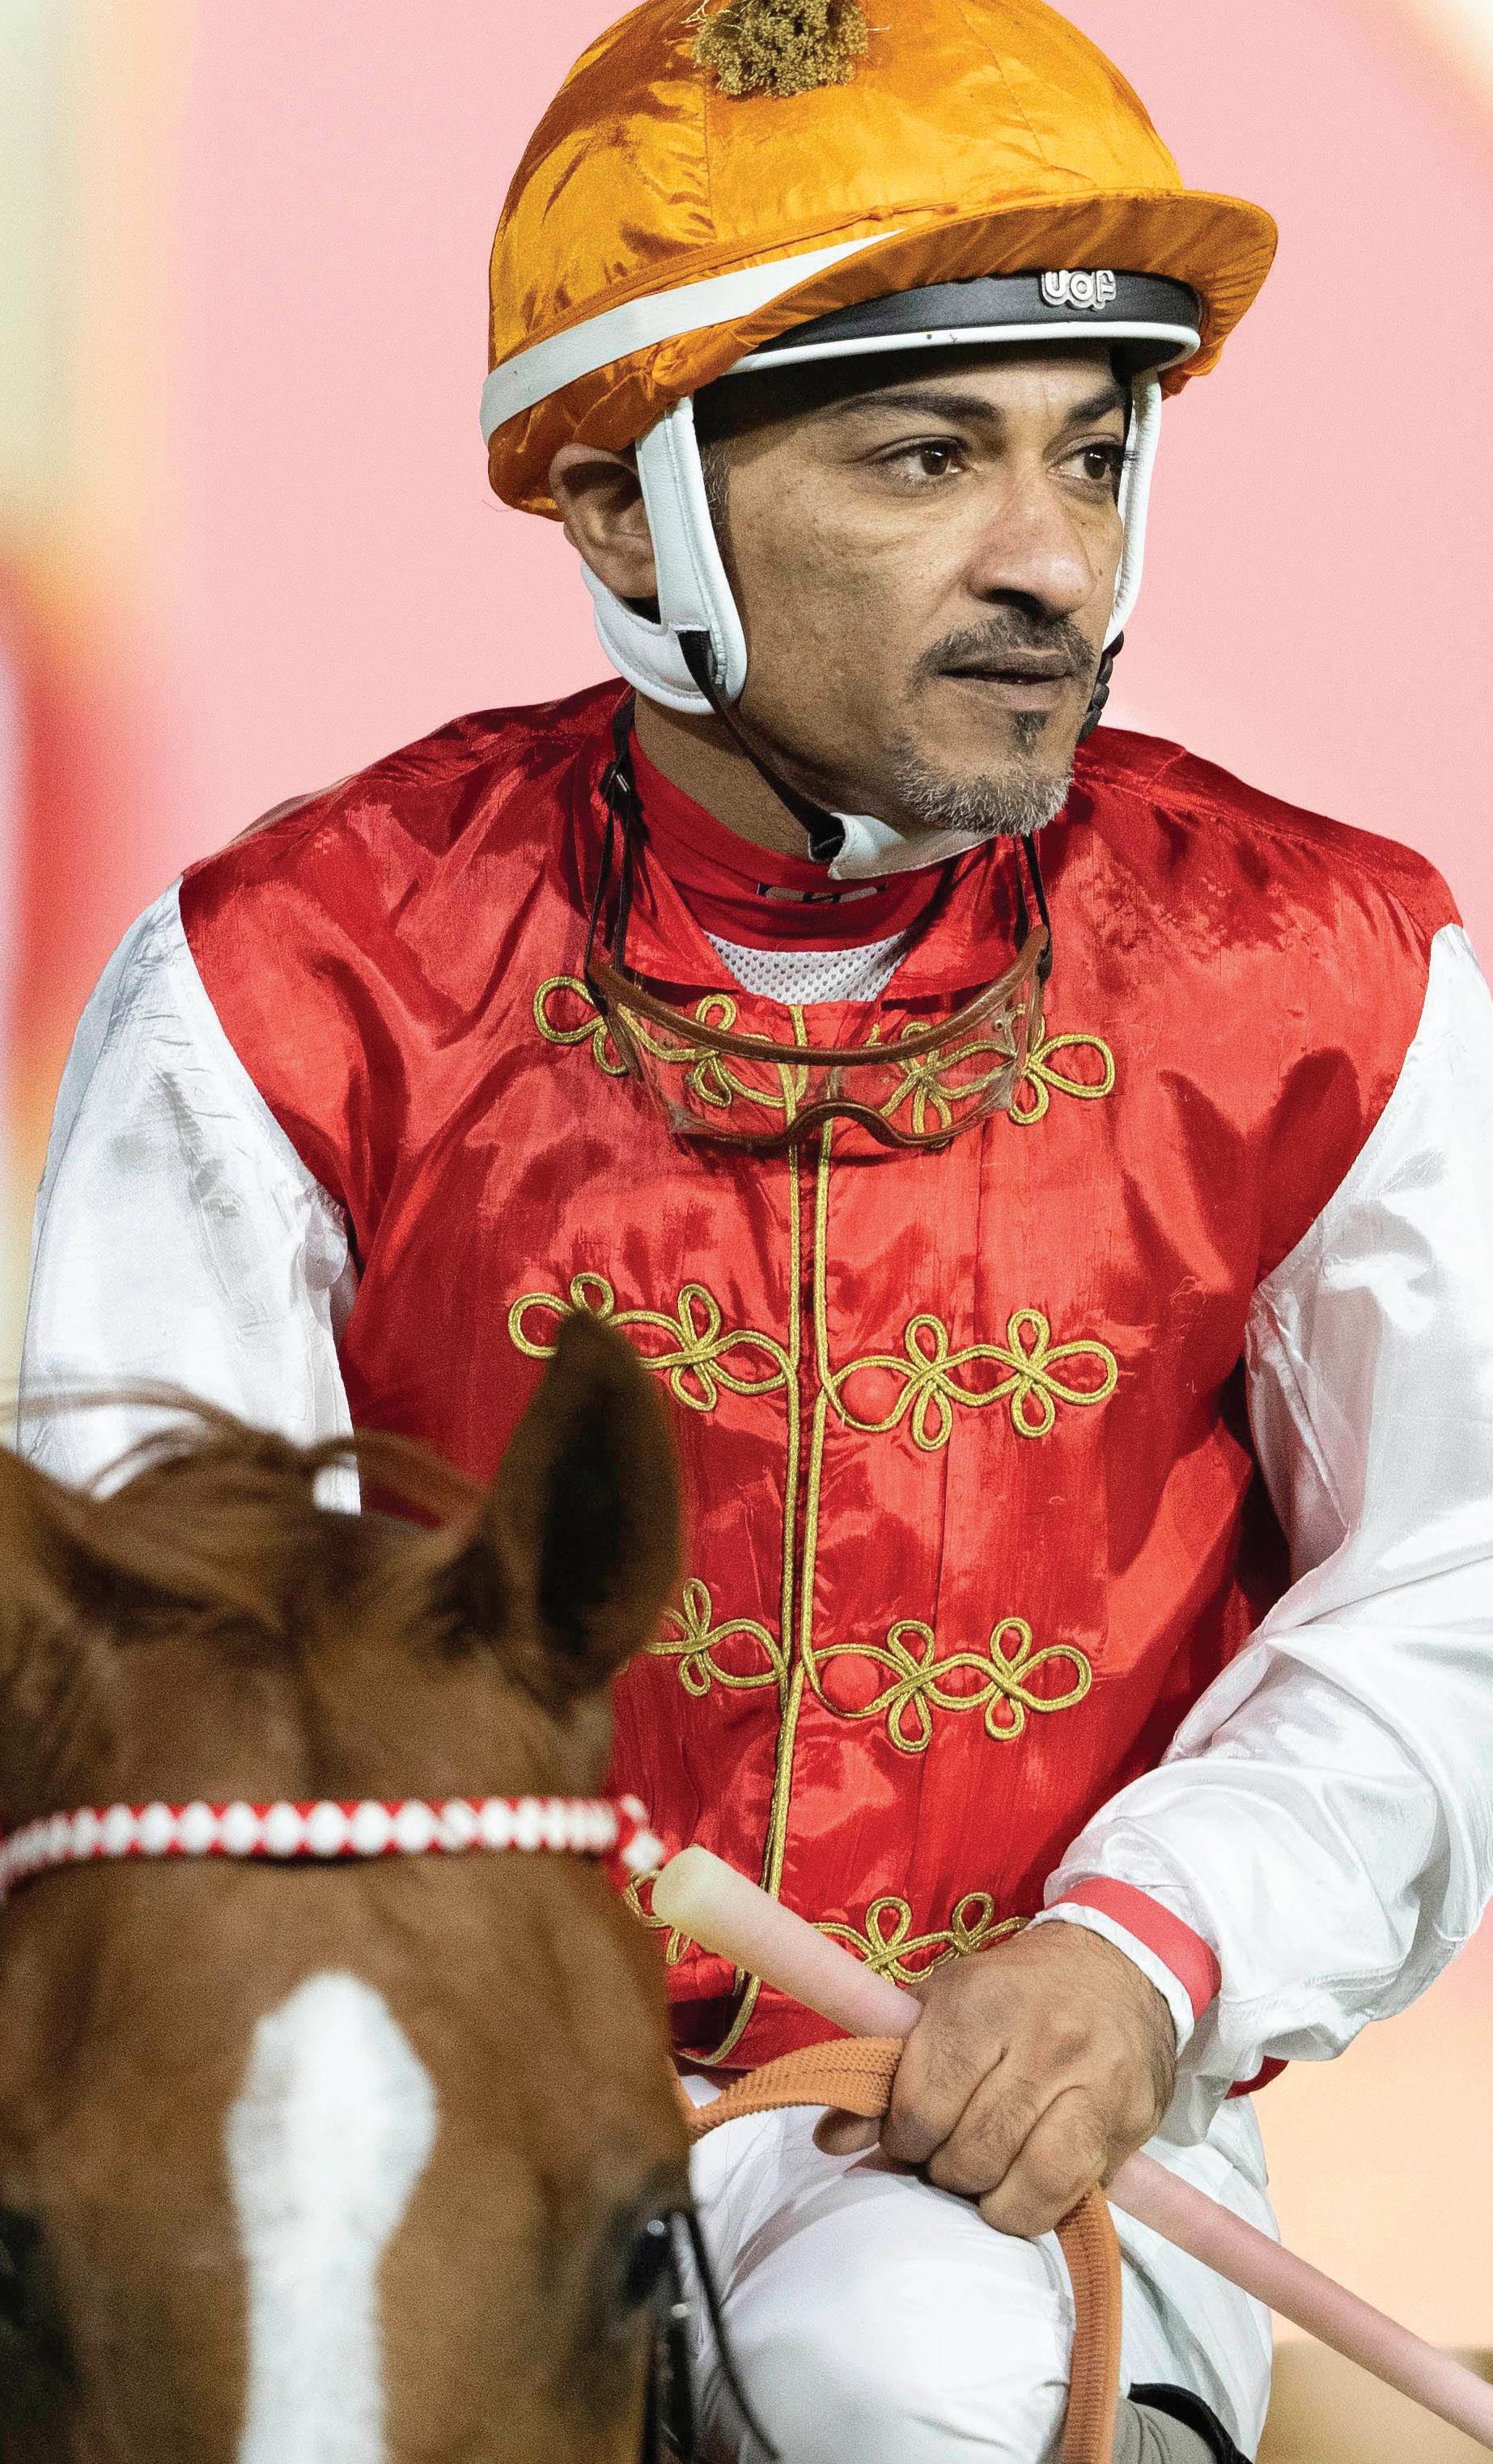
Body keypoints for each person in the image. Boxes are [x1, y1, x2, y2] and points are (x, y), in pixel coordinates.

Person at [20, 2, 1493, 2458]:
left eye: (1094, 452)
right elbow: (128, 1680)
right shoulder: (282, 990)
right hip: (401, 2109)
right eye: (927, 456)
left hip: (999, 2142)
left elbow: (1463, 1578)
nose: (1053, 561)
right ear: (627, 511)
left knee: (892, 2371)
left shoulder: (1330, 979)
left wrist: (1150, 1952)